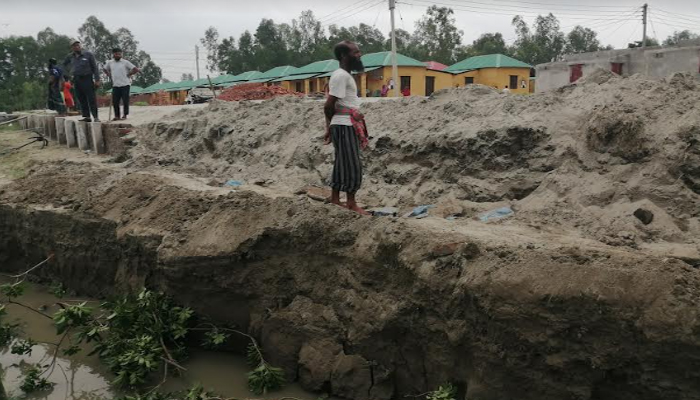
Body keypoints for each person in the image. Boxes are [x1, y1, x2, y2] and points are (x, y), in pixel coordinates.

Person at [323, 41, 369, 215]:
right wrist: (329, 127)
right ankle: (351, 203)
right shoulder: (341, 76)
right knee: (353, 164)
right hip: (344, 125)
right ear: (344, 56)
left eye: (359, 52)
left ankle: (335, 199)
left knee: (342, 163)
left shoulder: (345, 75)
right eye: (355, 52)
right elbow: (329, 106)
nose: (359, 55)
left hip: (344, 124)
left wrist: (329, 127)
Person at [63, 40, 100, 122]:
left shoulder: (88, 54)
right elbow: (63, 65)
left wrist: (97, 80)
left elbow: (95, 68)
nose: (76, 47)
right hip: (76, 79)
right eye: (74, 46)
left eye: (77, 45)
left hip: (87, 78)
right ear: (72, 48)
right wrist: (68, 75)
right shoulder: (70, 56)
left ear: (80, 46)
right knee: (81, 99)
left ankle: (96, 117)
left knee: (91, 98)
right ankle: (87, 116)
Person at [104, 48, 139, 121]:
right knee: (115, 101)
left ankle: (125, 115)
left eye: (120, 54)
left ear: (121, 54)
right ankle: (117, 116)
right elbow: (104, 69)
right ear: (113, 54)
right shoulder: (110, 62)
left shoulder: (125, 62)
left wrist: (129, 74)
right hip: (115, 85)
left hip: (125, 84)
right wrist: (109, 74)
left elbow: (135, 69)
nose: (118, 55)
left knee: (125, 100)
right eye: (116, 54)